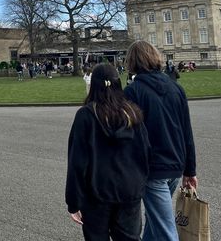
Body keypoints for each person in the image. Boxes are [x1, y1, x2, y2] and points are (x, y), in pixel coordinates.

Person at [123, 41, 197, 241]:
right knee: (156, 221)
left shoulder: (133, 92)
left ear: (132, 62)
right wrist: (190, 170)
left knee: (165, 231)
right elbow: (186, 131)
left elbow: (127, 137)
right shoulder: (175, 88)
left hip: (152, 168)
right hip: (175, 164)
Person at [66, 64, 150, 241]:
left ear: (94, 86)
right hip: (129, 189)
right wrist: (140, 182)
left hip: (97, 192)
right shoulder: (132, 112)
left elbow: (77, 162)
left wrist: (73, 202)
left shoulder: (86, 115)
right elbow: (145, 151)